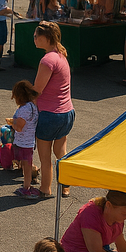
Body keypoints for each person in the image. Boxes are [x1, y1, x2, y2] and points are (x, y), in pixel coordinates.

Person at [32, 21, 74, 199]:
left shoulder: (47, 60)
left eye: (36, 36)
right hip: (66, 113)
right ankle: (65, 186)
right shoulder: (61, 55)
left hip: (49, 115)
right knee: (60, 151)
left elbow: (37, 90)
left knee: (44, 155)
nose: (33, 38)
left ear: (46, 38)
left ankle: (45, 188)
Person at [6, 80, 39, 199]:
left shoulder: (24, 110)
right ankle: (28, 183)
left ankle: (26, 187)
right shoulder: (33, 106)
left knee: (25, 164)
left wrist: (12, 123)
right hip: (29, 141)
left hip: (23, 142)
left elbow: (19, 127)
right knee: (26, 163)